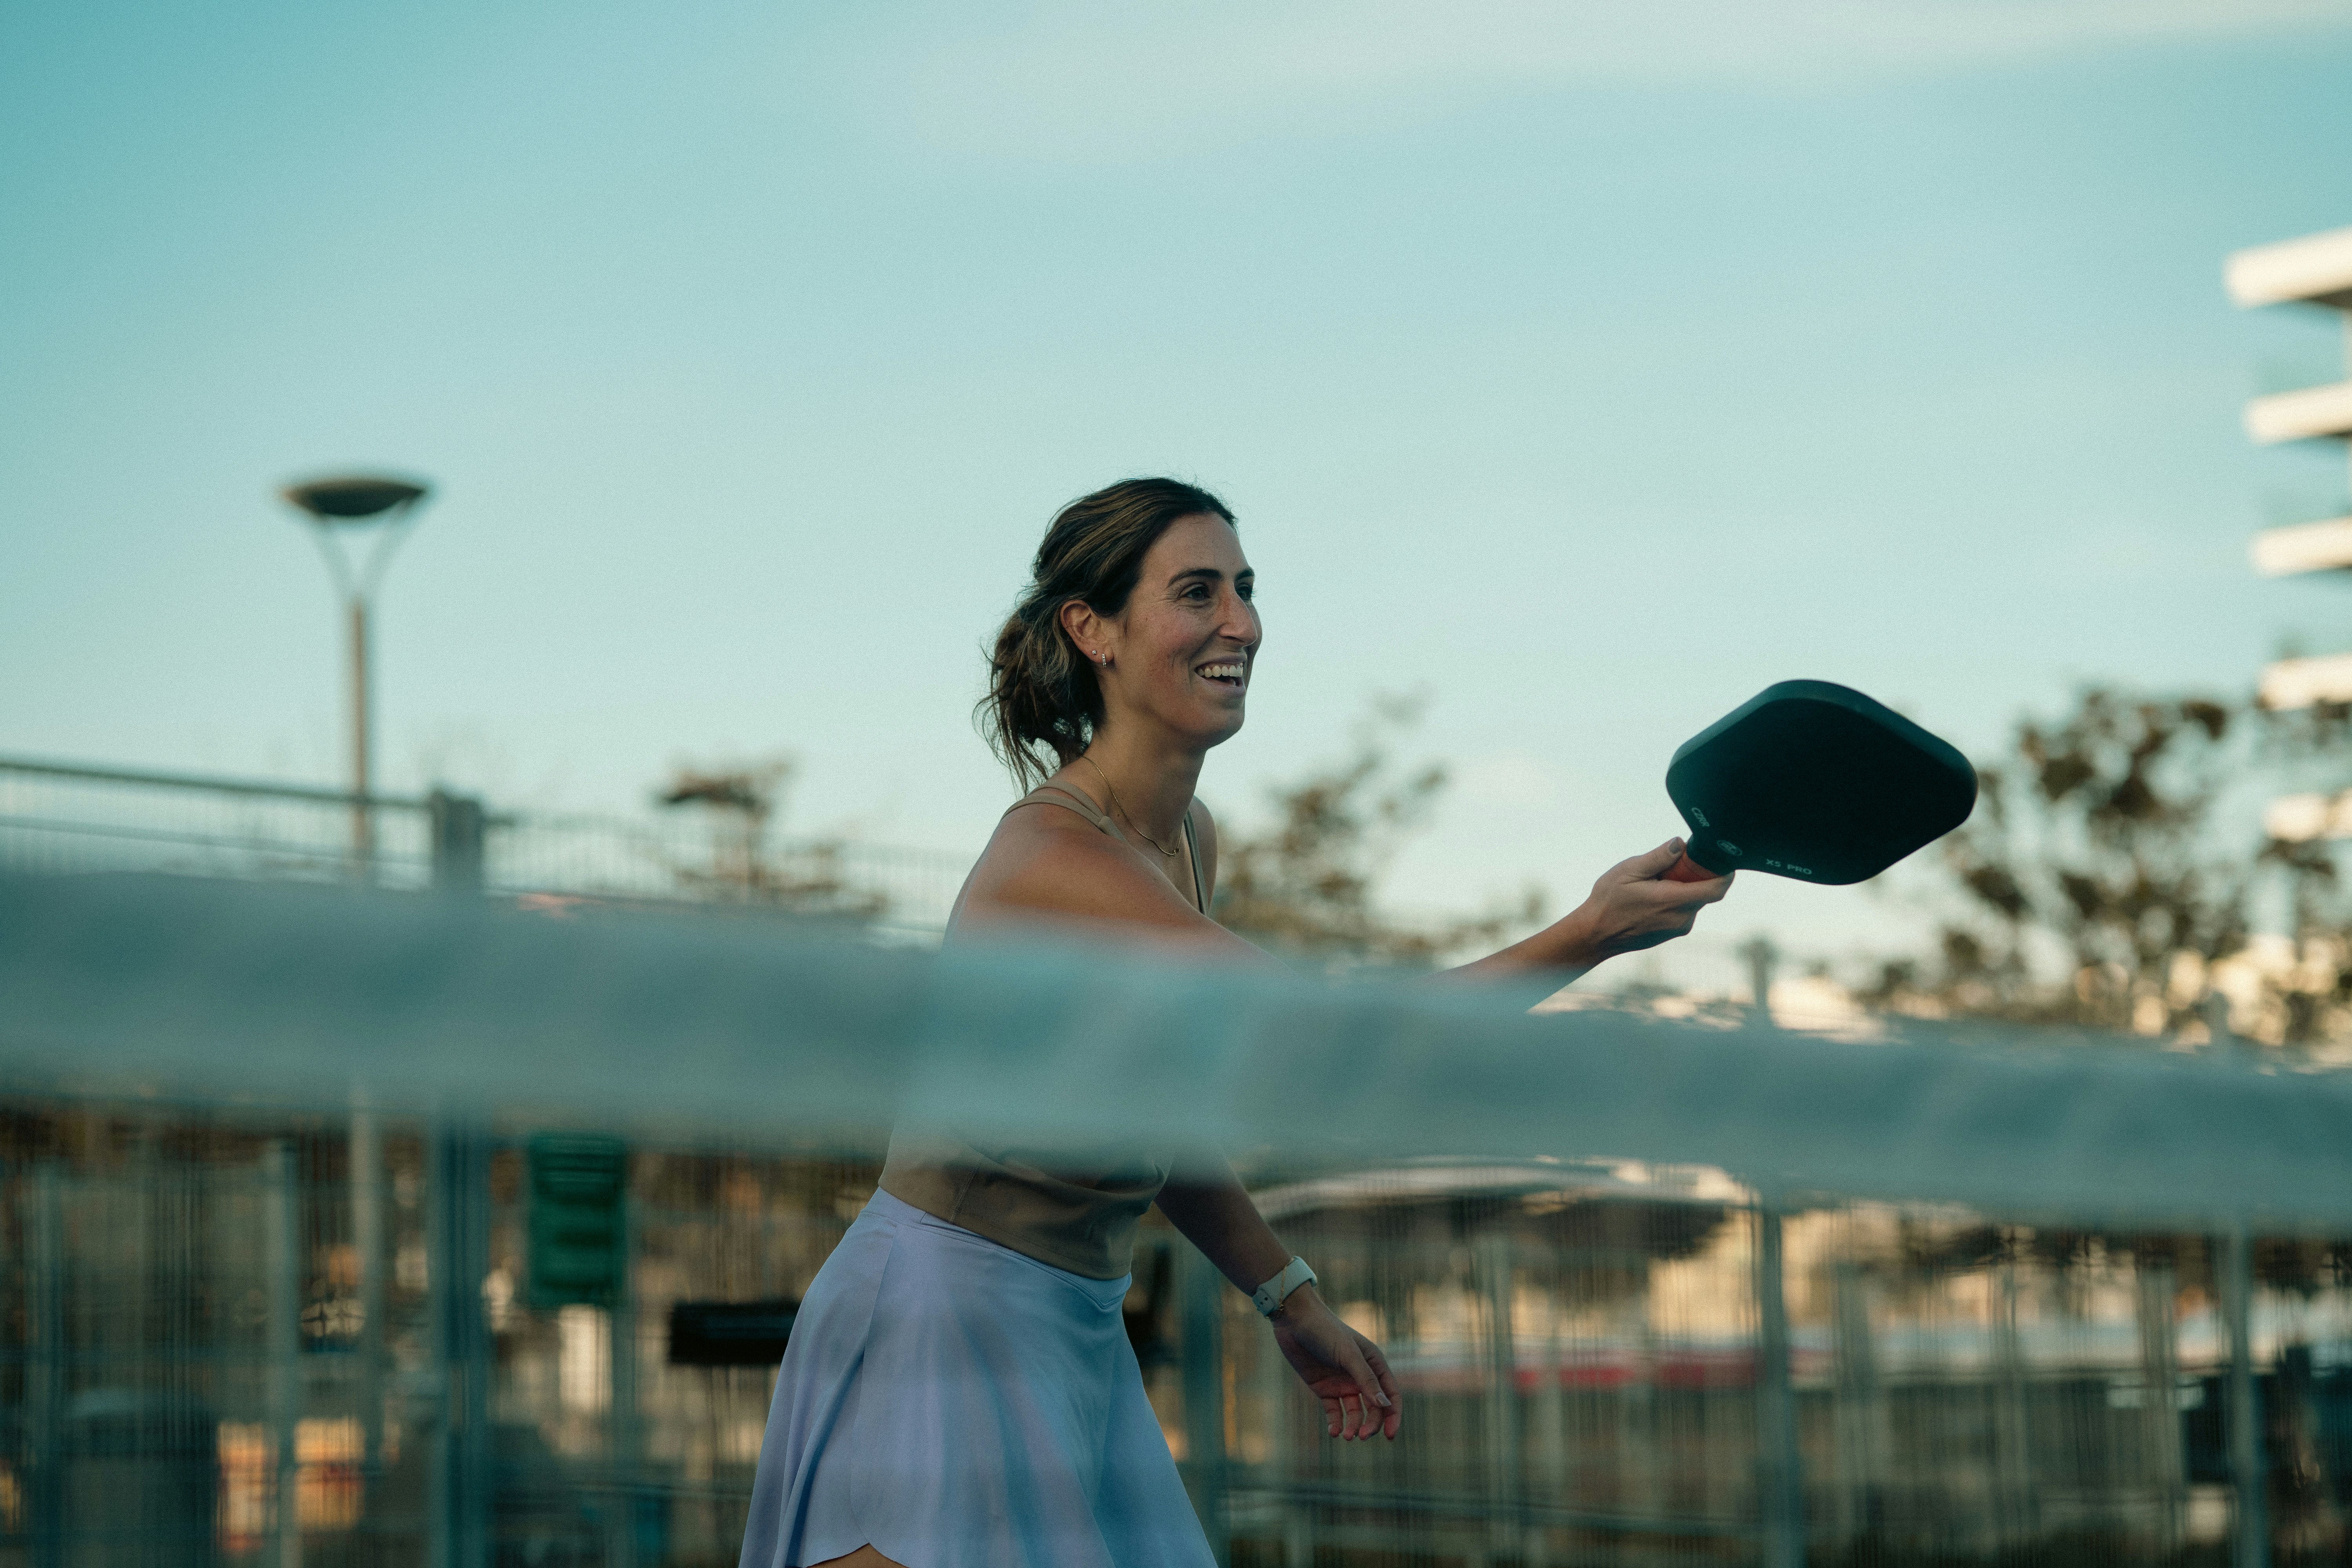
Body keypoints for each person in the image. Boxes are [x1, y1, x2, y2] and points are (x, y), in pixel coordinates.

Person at [738, 478, 1732, 1568]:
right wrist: (1587, 932)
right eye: (1197, 592)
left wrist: (1286, 1294)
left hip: (1072, 1325)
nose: (1242, 624)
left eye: (1247, 591)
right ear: (1094, 631)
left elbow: (1151, 1110)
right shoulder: (1056, 861)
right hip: (936, 1327)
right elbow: (1326, 1043)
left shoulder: (1189, 842)